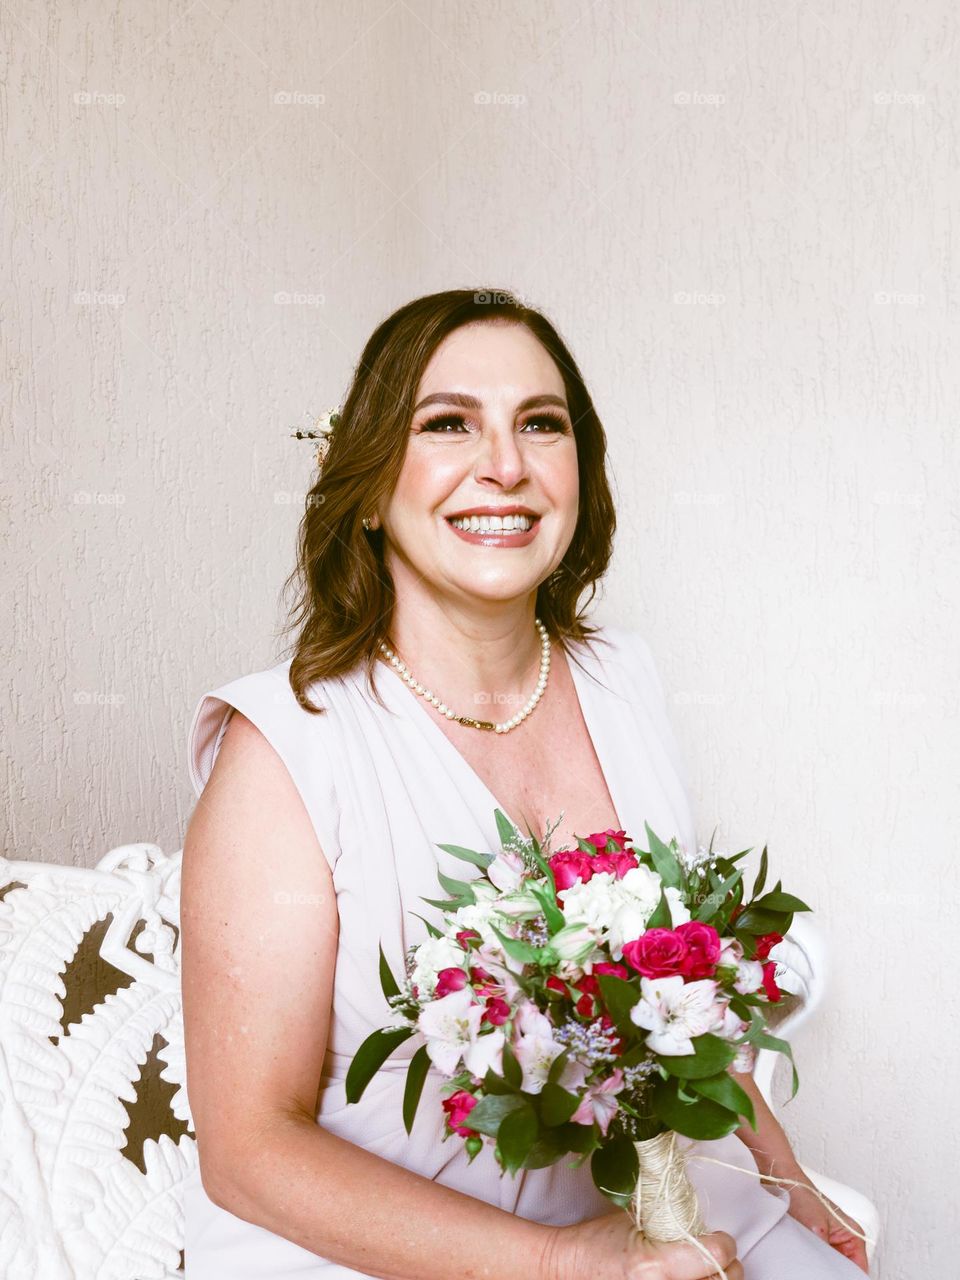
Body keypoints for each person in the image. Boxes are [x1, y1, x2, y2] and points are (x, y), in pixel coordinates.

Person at [179, 288, 869, 1278]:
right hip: (361, 1249)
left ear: (576, 472)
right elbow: (249, 1153)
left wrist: (777, 1164)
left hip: (628, 1213)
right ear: (369, 488)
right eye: (448, 422)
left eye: (540, 425)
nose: (504, 464)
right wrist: (558, 1263)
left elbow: (657, 1002)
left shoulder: (619, 679)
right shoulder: (287, 751)